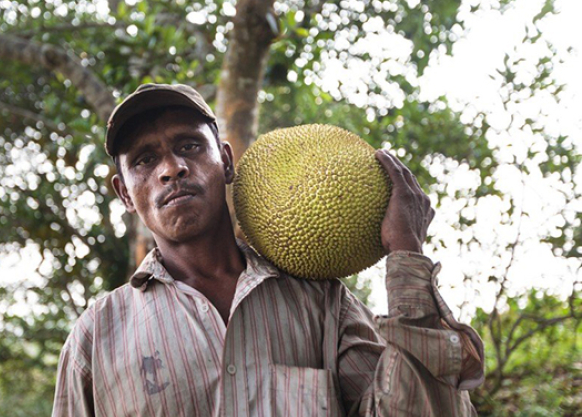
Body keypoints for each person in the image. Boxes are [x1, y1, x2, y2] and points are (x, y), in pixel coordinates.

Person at [51, 83, 485, 416]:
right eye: (145, 160)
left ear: (226, 161)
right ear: (124, 193)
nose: (172, 168)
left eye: (189, 146)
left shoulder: (322, 303)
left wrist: (406, 254)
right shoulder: (95, 338)